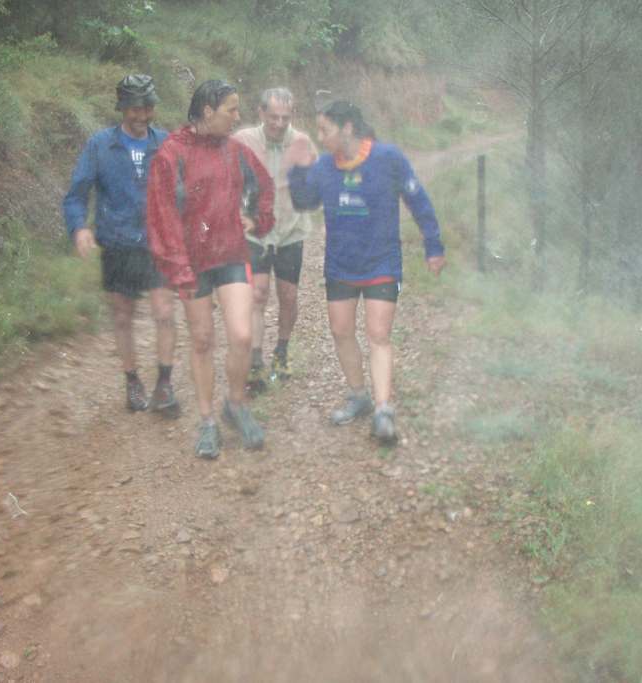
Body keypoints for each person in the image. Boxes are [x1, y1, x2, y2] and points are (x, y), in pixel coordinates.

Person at [288, 100, 446, 444]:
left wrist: (433, 244)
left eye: (325, 130)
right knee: (341, 330)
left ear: (347, 128)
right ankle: (359, 396)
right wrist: (298, 169)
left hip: (381, 262)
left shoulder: (388, 158)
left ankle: (384, 410)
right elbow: (305, 202)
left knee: (378, 334)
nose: (320, 137)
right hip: (341, 264)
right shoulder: (324, 166)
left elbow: (418, 199)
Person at [147, 79, 275, 459]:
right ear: (207, 111)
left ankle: (235, 404)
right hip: (192, 262)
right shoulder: (172, 154)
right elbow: (162, 216)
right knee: (202, 339)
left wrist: (257, 217)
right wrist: (179, 269)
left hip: (231, 253)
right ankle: (207, 421)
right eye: (231, 109)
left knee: (241, 335)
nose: (237, 116)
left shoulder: (235, 151)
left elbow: (263, 184)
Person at [63, 74, 180, 417]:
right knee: (122, 314)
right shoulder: (100, 146)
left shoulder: (166, 144)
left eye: (146, 107)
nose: (141, 115)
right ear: (122, 108)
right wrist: (79, 228)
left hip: (159, 243)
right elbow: (76, 194)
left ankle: (164, 383)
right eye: (134, 108)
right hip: (117, 241)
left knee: (164, 312)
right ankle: (132, 380)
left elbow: (184, 191)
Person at [232, 87, 318, 393]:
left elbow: (316, 185)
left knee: (288, 296)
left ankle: (281, 351)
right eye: (273, 117)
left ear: (292, 115)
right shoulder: (242, 141)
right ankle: (255, 360)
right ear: (260, 113)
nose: (279, 124)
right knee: (257, 294)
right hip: (255, 233)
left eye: (285, 117)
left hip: (291, 231)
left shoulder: (303, 143)